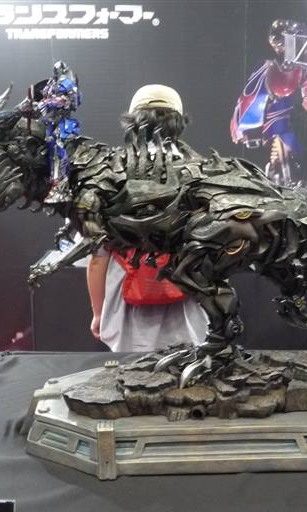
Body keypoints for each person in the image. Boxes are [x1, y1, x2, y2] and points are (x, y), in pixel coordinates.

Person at [86, 84, 209, 352]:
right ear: (179, 123)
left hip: (127, 313)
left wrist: (98, 312)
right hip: (188, 307)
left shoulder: (109, 173)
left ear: (132, 122)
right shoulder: (200, 171)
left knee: (131, 374)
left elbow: (97, 258)